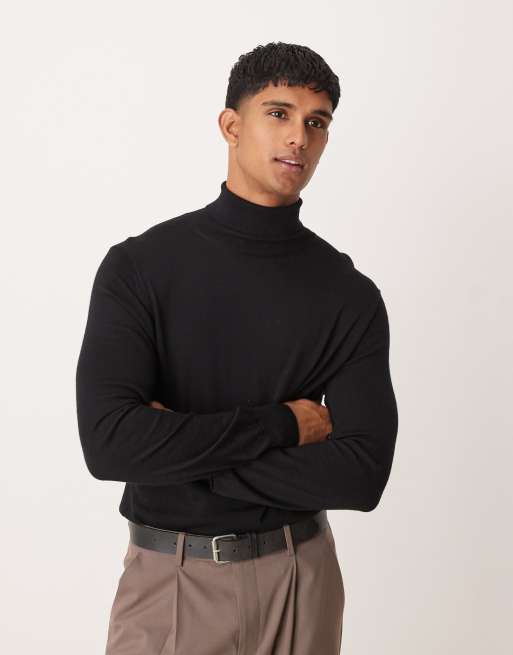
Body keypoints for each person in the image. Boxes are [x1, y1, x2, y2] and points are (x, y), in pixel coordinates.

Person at [75, 41, 398, 655]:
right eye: (278, 113)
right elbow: (110, 443)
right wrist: (284, 425)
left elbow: (361, 475)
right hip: (171, 580)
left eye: (317, 122)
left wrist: (177, 453)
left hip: (302, 577)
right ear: (231, 126)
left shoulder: (347, 292)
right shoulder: (140, 268)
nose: (299, 137)